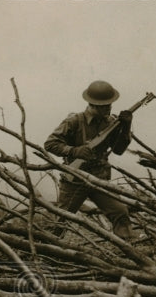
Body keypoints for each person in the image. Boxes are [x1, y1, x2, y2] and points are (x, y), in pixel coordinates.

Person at [44, 80, 134, 241]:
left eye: (110, 104)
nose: (109, 108)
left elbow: (118, 150)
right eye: (104, 106)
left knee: (120, 212)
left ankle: (129, 249)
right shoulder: (74, 121)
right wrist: (74, 151)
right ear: (93, 105)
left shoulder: (111, 123)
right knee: (61, 221)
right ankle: (47, 249)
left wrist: (126, 127)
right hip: (75, 179)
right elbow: (50, 144)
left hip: (100, 178)